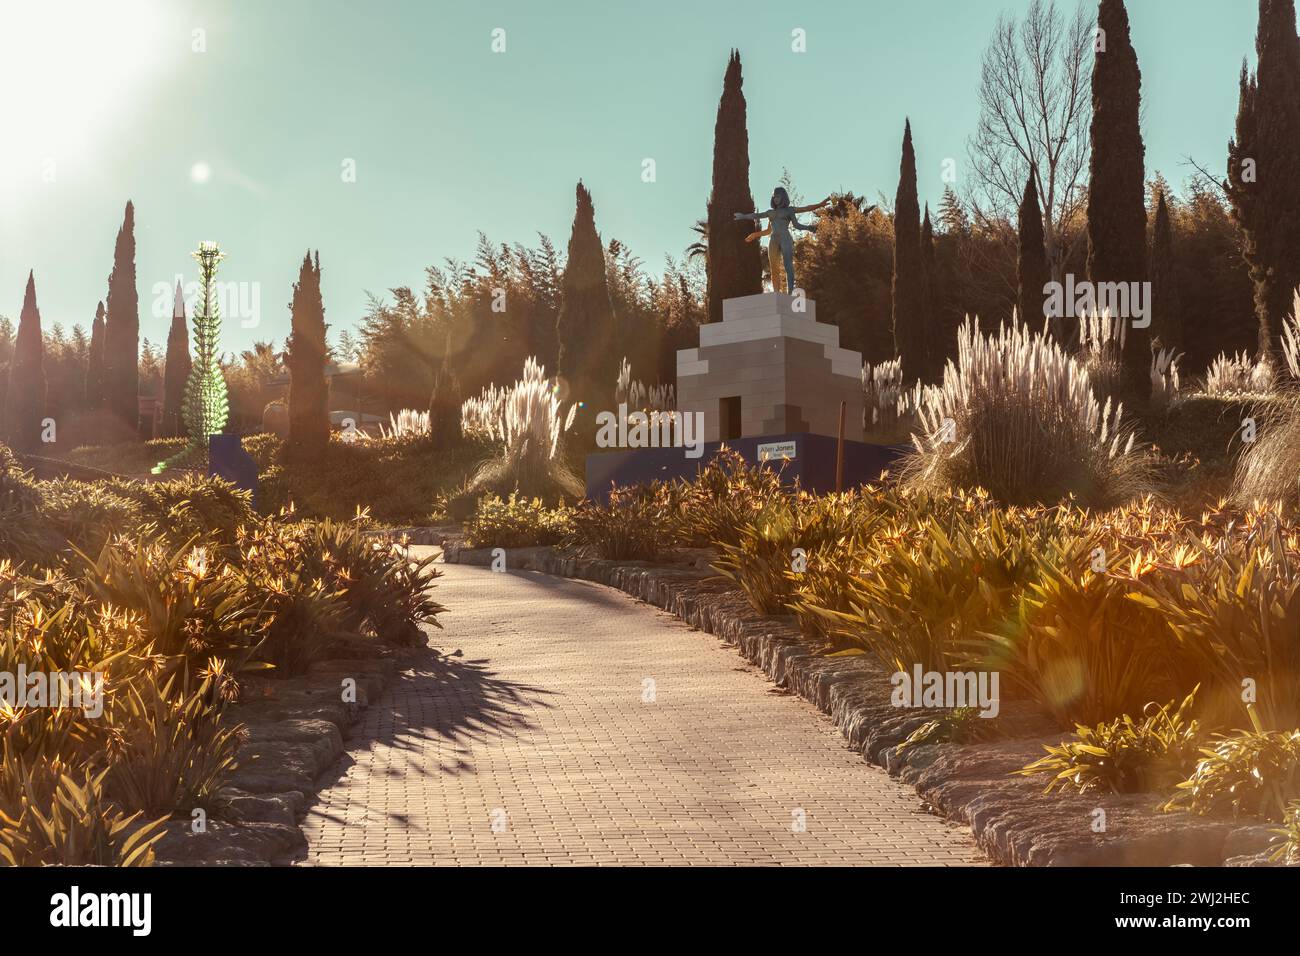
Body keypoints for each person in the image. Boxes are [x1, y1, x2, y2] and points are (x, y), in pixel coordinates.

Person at [734, 187, 832, 293]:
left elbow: (802, 214)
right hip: (774, 240)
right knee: (774, 268)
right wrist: (745, 220)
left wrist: (819, 206)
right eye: (774, 197)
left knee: (788, 265)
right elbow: (760, 219)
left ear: (783, 197)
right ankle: (776, 293)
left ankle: (790, 292)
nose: (776, 199)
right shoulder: (770, 212)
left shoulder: (789, 210)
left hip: (785, 238)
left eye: (778, 196)